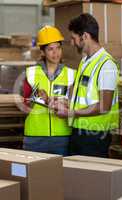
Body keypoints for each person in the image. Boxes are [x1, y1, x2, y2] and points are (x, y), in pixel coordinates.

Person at [49, 13, 119, 157]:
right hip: (79, 131)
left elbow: (104, 106)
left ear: (85, 36)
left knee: (91, 178)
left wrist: (70, 112)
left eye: (74, 38)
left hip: (95, 135)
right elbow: (82, 95)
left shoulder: (106, 65)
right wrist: (65, 103)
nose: (73, 43)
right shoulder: (85, 61)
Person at [23, 25, 76, 156]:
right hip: (34, 137)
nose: (55, 53)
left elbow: (75, 104)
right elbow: (25, 104)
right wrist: (37, 98)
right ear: (42, 52)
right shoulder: (31, 73)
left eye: (58, 48)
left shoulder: (71, 74)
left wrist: (56, 102)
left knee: (60, 176)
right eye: (50, 49)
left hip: (62, 136)